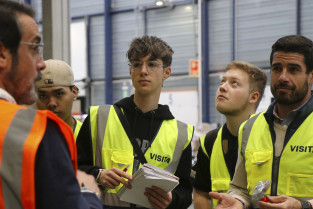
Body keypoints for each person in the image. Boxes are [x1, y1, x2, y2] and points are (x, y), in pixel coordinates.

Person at [0, 1, 102, 209]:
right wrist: (89, 192)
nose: (41, 63)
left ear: (74, 93)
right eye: (34, 48)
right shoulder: (36, 132)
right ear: (2, 55)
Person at [76, 35, 194, 209]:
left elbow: (185, 191)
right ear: (131, 71)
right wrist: (98, 174)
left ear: (166, 73)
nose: (143, 71)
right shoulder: (98, 118)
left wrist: (171, 199)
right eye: (137, 64)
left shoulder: (181, 134)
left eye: (152, 64)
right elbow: (73, 169)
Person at [209, 35, 313, 209]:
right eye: (277, 68)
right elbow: (240, 188)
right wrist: (237, 201)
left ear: (311, 76)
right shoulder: (250, 127)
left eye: (293, 69)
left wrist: (304, 205)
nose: (283, 77)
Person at [193, 61, 267, 209]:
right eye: (223, 81)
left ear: (253, 97)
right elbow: (201, 193)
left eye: (234, 83)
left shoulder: (271, 137)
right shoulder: (209, 142)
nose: (222, 87)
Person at [35, 59, 82, 140]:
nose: (51, 103)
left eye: (59, 94)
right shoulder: (27, 138)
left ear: (74, 93)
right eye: (43, 96)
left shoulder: (87, 137)